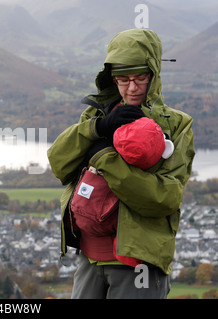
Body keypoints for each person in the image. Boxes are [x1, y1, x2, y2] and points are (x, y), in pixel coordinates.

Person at [47, 29, 195, 299]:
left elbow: (165, 198)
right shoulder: (97, 114)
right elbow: (59, 164)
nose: (132, 87)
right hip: (89, 258)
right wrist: (97, 128)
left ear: (154, 75)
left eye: (140, 78)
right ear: (111, 79)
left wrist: (106, 160)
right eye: (123, 79)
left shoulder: (175, 125)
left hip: (139, 263)